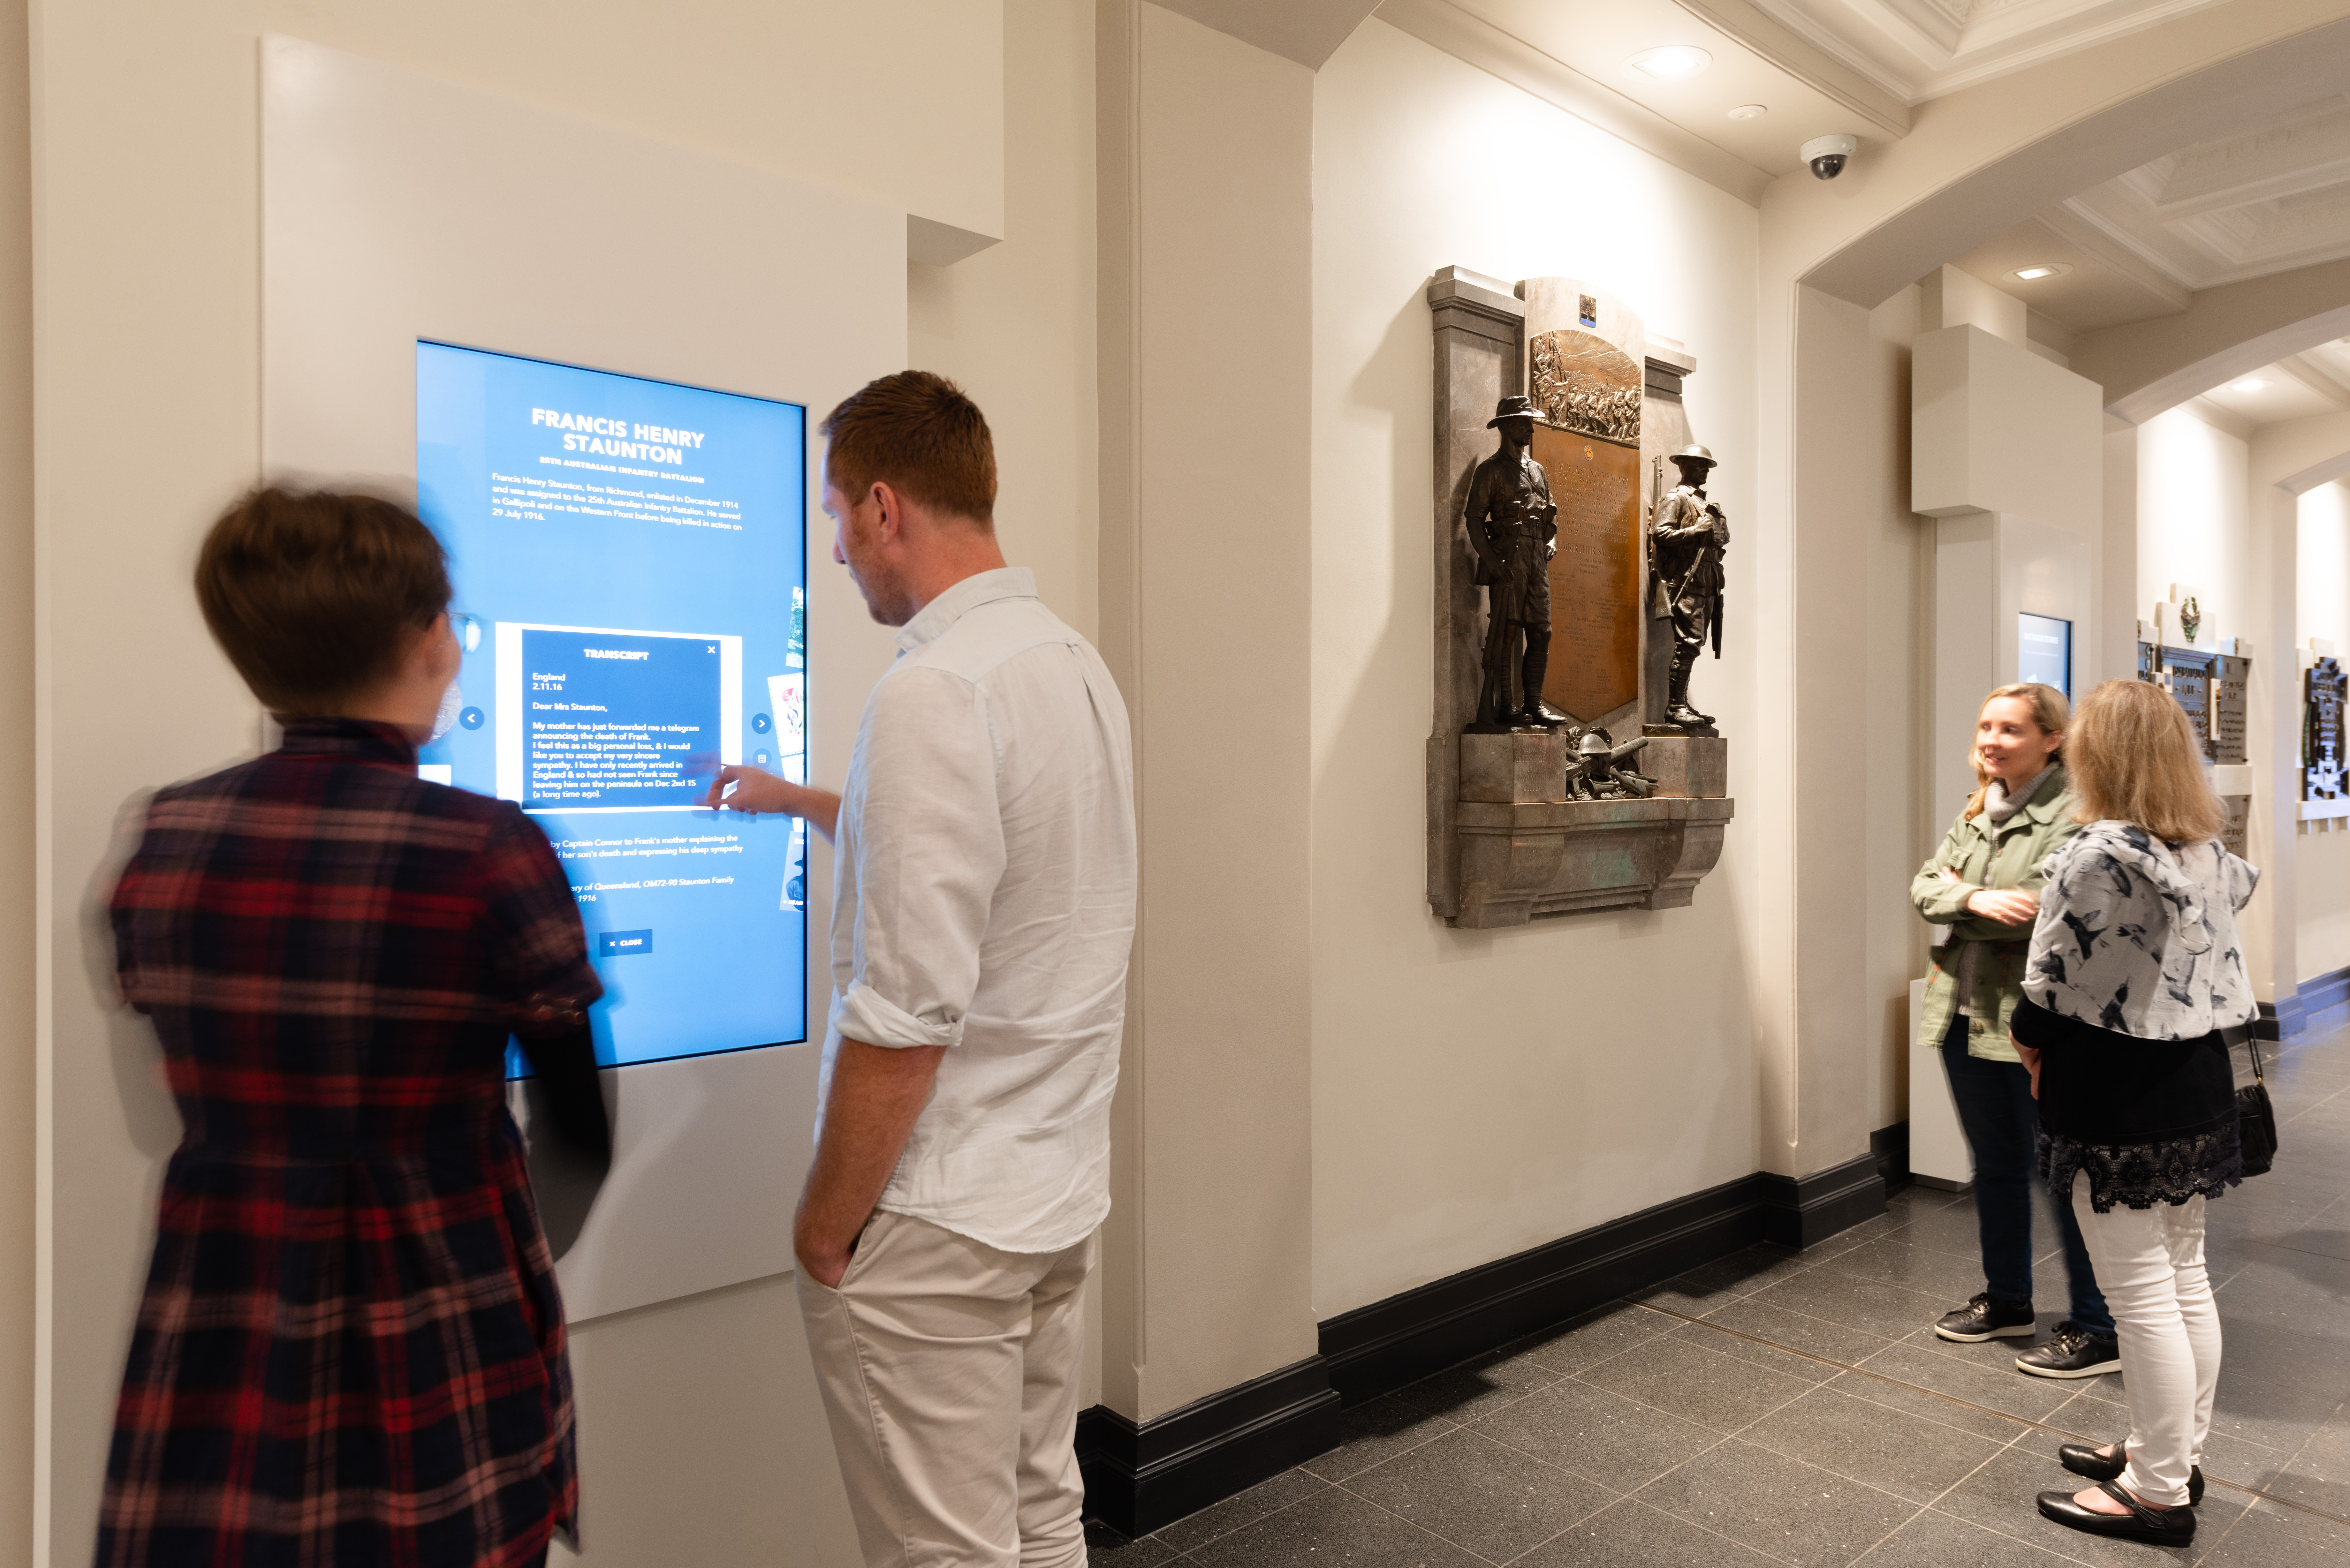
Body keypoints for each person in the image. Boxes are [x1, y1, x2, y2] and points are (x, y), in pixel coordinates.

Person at [100, 488, 610, 1568]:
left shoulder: (170, 830)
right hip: (439, 1315)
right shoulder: (485, 848)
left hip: (221, 1321)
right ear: (431, 637)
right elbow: (582, 1130)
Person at [701, 372, 1137, 1568]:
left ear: (885, 506)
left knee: (944, 1554)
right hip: (1050, 1190)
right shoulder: (1066, 662)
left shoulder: (932, 690)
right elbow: (996, 858)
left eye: (838, 517)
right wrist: (797, 799)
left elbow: (906, 1013)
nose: (838, 553)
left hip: (940, 1220)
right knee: (1043, 1516)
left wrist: (827, 1226)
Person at [2017, 679, 2254, 1549]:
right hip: (2195, 1084)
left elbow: (2045, 990)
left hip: (2115, 1097)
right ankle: (2173, 1454)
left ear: (2096, 754)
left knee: (2141, 1296)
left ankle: (2156, 1494)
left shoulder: (2096, 854)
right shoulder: (2203, 850)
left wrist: (2028, 1042)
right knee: (2184, 1276)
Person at [1910, 683, 2120, 1378]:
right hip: (1962, 1013)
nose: (1991, 739)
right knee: (1993, 1165)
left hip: (2031, 1022)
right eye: (1985, 725)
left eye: (2009, 728)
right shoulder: (1979, 805)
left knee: (2059, 1174)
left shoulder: (2076, 812)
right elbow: (1921, 887)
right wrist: (1971, 896)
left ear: (2051, 739)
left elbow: (2040, 909)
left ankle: (2095, 1324)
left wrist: (1962, 894)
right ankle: (2008, 1300)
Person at [1462, 394, 1561, 729]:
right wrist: (1491, 561)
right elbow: (1474, 519)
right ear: (1506, 427)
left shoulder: (1537, 470)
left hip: (1536, 557)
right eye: (1523, 422)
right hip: (1508, 555)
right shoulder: (1490, 471)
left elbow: (1551, 517)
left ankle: (1534, 704)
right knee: (1506, 632)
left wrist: (1550, 540)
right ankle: (1507, 705)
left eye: (1530, 422)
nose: (1531, 429)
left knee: (1542, 631)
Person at [1648, 445, 1728, 732]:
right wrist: (1695, 531)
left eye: (1706, 466)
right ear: (1684, 467)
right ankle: (1675, 707)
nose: (1705, 470)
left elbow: (1722, 538)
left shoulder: (1707, 504)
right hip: (1686, 580)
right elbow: (1662, 533)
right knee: (1689, 644)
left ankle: (1681, 702)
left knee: (1695, 645)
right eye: (1699, 466)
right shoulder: (1677, 498)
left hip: (1708, 580)